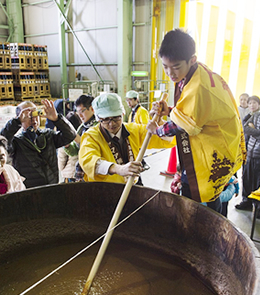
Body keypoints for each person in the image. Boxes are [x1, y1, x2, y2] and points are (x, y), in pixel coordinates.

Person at [146, 29, 246, 213]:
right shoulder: (195, 72)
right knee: (209, 197)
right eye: (165, 66)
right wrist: (169, 110)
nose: (170, 73)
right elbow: (196, 112)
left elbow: (184, 125)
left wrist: (156, 129)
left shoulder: (199, 85)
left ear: (192, 59)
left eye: (175, 67)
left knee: (203, 200)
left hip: (214, 149)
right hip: (218, 140)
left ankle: (202, 234)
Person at [78, 93, 175, 184]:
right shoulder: (91, 136)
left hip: (130, 186)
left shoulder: (134, 130)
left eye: (116, 117)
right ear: (98, 118)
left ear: (123, 114)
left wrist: (159, 121)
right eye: (106, 119)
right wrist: (119, 169)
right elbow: (88, 161)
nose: (111, 123)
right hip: (105, 190)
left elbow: (167, 139)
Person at [0, 99, 77, 188]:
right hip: (29, 192)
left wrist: (57, 119)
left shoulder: (48, 136)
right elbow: (2, 141)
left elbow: (71, 135)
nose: (34, 119)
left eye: (36, 114)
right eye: (28, 116)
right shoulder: (16, 142)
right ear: (19, 117)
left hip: (52, 189)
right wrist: (16, 122)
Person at [63, 94, 98, 182]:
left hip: (96, 171)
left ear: (92, 109)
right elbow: (75, 151)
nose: (80, 115)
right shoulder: (82, 127)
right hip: (82, 171)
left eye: (82, 111)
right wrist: (67, 145)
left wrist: (81, 141)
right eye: (78, 112)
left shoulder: (99, 126)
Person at [236, 96, 260, 211]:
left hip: (258, 154)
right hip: (249, 152)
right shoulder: (251, 115)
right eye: (250, 103)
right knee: (246, 178)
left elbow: (249, 131)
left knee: (257, 181)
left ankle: (257, 207)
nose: (251, 105)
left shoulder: (259, 115)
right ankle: (246, 202)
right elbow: (243, 127)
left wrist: (251, 129)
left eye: (254, 103)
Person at [126, 90, 150, 171]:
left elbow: (145, 126)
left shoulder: (142, 111)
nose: (128, 102)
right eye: (127, 100)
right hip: (134, 138)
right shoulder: (133, 112)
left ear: (136, 100)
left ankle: (142, 164)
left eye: (130, 100)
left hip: (139, 138)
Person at [58, 111, 81, 183]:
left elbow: (61, 165)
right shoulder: (83, 135)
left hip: (70, 176)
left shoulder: (64, 140)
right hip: (82, 175)